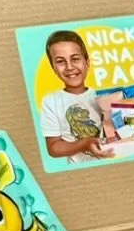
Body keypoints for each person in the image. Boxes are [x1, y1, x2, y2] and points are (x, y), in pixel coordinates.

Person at [40, 30, 115, 163]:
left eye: (75, 59)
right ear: (53, 68)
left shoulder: (103, 96)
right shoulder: (51, 102)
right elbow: (53, 148)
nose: (69, 67)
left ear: (87, 63)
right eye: (60, 61)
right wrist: (85, 144)